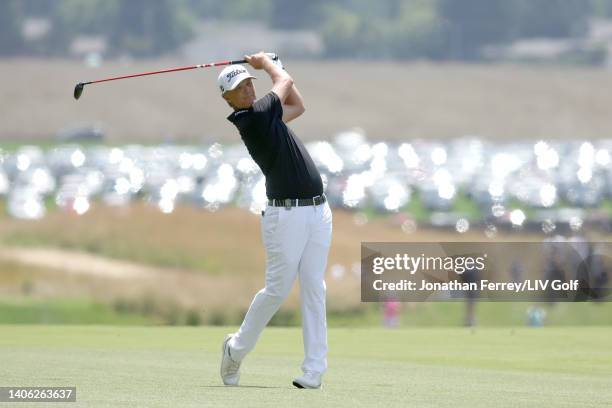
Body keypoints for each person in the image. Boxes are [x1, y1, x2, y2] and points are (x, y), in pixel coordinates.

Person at [217, 52, 332, 389]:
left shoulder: (268, 116)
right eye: (240, 87)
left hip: (317, 211)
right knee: (277, 290)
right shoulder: (251, 118)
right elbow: (285, 84)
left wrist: (275, 67)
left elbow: (297, 105)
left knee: (314, 287)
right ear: (228, 99)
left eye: (249, 83)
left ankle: (314, 371)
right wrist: (266, 63)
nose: (248, 90)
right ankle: (235, 349)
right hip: (286, 216)